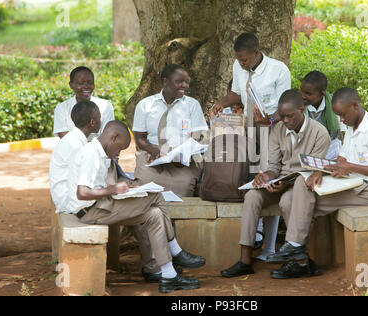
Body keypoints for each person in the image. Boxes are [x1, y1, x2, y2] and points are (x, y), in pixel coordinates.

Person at [265, 87, 368, 279]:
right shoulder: (350, 128)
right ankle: (301, 260)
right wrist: (319, 170)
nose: (341, 120)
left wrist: (350, 167)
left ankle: (295, 250)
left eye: (343, 115)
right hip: (349, 183)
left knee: (299, 201)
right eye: (338, 116)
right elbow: (341, 159)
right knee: (292, 197)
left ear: (355, 106)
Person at [65, 120, 206, 293]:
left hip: (101, 206)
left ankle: (168, 276)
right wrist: (114, 188)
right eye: (120, 147)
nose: (119, 152)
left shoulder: (99, 153)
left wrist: (125, 188)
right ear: (113, 136)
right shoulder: (90, 154)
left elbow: (99, 187)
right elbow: (82, 193)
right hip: (91, 212)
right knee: (156, 195)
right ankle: (176, 250)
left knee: (154, 214)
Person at [220, 90, 331, 278]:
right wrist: (266, 177)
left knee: (287, 201)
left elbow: (314, 172)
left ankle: (297, 260)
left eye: (290, 116)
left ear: (302, 110)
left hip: (302, 185)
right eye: (282, 116)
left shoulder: (320, 133)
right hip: (279, 182)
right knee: (253, 195)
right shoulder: (277, 129)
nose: (285, 121)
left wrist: (284, 182)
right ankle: (245, 260)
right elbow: (273, 166)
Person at [211, 33, 291, 259]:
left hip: (272, 131)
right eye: (238, 59)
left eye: (244, 59)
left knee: (269, 182)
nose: (241, 63)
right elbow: (237, 93)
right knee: (251, 182)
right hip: (248, 131)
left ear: (256, 53)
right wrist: (222, 103)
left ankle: (269, 248)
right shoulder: (239, 68)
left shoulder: (278, 70)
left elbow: (285, 105)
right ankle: (254, 235)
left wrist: (270, 120)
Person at [132, 64, 209, 197]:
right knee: (145, 184)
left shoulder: (192, 105)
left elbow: (197, 136)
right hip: (154, 159)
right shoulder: (145, 105)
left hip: (183, 163)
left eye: (186, 82)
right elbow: (139, 138)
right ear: (165, 81)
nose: (185, 85)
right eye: (179, 81)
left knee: (185, 186)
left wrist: (181, 153)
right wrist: (155, 151)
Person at [49, 100, 101, 213]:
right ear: (92, 122)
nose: (100, 122)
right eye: (99, 118)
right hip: (67, 202)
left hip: (67, 196)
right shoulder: (75, 145)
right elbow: (81, 183)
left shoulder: (74, 139)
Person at [53, 66, 114, 140]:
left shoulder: (105, 106)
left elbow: (107, 136)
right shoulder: (62, 108)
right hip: (73, 151)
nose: (86, 86)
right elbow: (65, 138)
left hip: (98, 151)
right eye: (80, 83)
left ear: (94, 84)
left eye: (90, 82)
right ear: (71, 85)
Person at [300, 71, 346, 159]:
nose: (303, 96)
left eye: (308, 93)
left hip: (329, 150)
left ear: (322, 94)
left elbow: (341, 134)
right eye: (301, 90)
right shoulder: (297, 105)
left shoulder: (335, 104)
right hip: (305, 149)